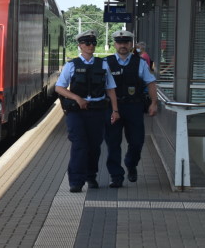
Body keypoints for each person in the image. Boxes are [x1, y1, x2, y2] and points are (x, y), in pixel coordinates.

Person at [55, 30, 119, 193]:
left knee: (94, 146)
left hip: (97, 111)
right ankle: (76, 181)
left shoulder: (103, 65)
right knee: (79, 145)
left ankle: (91, 176)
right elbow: (59, 88)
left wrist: (115, 110)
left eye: (92, 43)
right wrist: (77, 98)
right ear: (80, 46)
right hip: (76, 112)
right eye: (86, 43)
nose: (90, 46)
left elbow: (110, 88)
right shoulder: (71, 65)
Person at [104, 30, 159, 188]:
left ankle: (131, 163)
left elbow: (151, 83)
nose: (123, 45)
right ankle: (116, 176)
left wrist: (154, 102)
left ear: (130, 45)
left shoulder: (140, 62)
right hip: (112, 108)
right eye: (119, 43)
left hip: (134, 107)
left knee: (137, 142)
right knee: (113, 143)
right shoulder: (106, 62)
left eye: (126, 43)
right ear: (115, 44)